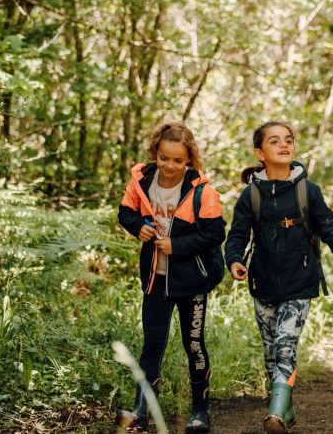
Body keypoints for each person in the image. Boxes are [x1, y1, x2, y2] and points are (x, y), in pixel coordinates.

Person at [223, 121, 333, 434]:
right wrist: (234, 260)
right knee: (271, 352)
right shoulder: (250, 194)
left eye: (288, 139)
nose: (284, 145)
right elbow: (237, 235)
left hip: (300, 281)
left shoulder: (308, 190)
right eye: (274, 141)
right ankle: (286, 413)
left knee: (286, 345)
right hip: (261, 283)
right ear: (259, 153)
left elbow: (330, 228)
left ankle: (274, 414)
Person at [116, 121, 226, 433]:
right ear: (155, 153)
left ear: (189, 159)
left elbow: (215, 233)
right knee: (152, 344)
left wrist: (176, 245)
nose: (170, 166)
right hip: (155, 278)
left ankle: (200, 410)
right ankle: (141, 409)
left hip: (192, 281)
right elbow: (125, 212)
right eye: (164, 158)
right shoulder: (141, 180)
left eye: (178, 160)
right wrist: (138, 227)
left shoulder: (203, 191)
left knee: (193, 344)